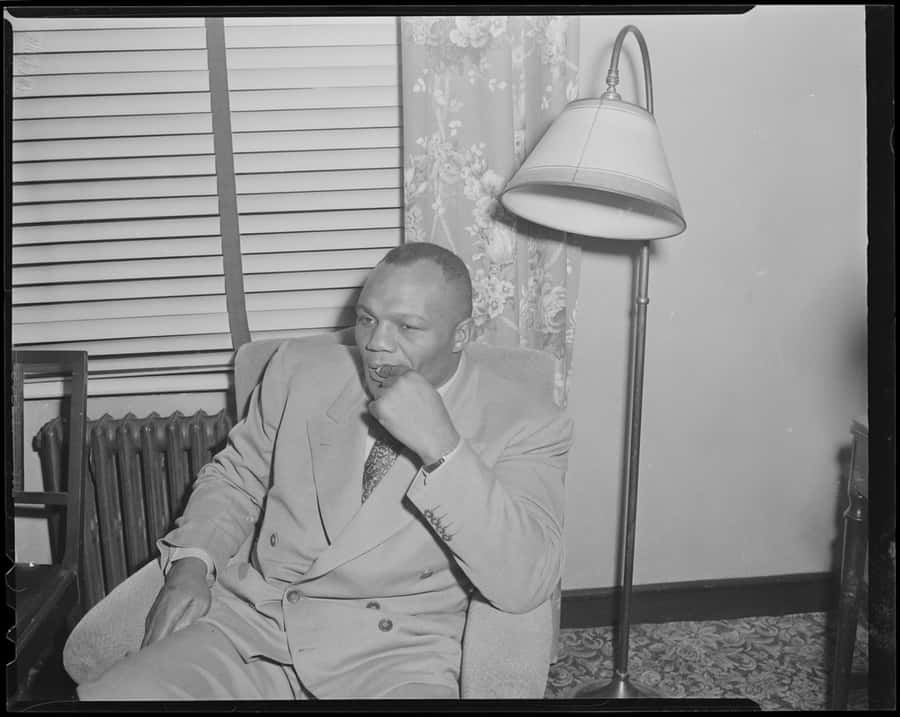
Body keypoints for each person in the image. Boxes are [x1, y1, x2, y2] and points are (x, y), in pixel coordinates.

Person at [77, 242, 573, 700]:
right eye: (367, 320)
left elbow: (525, 579)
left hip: (397, 660)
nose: (377, 344)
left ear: (461, 335)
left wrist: (443, 449)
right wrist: (191, 565)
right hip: (255, 627)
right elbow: (237, 477)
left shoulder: (524, 419)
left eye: (408, 327)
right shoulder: (300, 368)